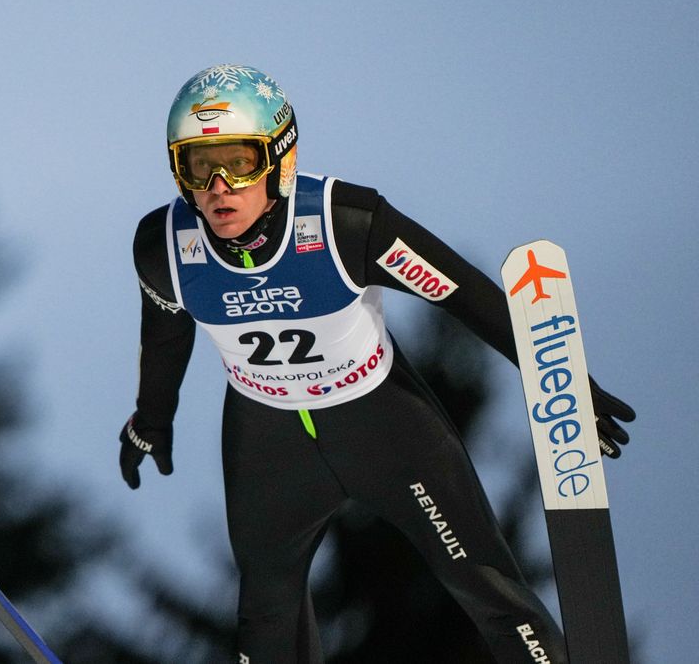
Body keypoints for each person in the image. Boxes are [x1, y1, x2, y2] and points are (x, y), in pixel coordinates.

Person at [118, 64, 635, 663]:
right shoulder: (164, 248)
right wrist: (150, 420)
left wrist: (566, 378)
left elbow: (464, 296)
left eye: (238, 160)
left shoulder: (344, 223)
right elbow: (163, 337)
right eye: (196, 165)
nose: (218, 185)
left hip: (381, 422)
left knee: (482, 581)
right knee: (265, 614)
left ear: (280, 158)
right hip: (267, 435)